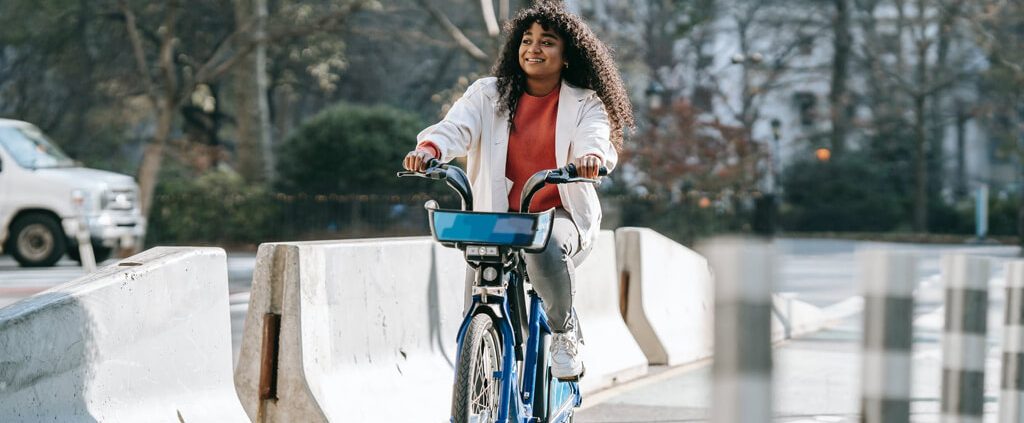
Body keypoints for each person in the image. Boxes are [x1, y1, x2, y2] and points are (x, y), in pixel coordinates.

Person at [402, 1, 634, 380]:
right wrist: (429, 150)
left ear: (567, 55)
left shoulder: (584, 102)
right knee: (480, 291)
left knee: (545, 247)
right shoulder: (488, 93)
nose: (534, 48)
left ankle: (563, 332)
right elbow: (455, 128)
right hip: (497, 216)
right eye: (527, 40)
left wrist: (591, 157)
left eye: (547, 42)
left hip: (555, 214)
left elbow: (596, 137)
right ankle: (481, 366)